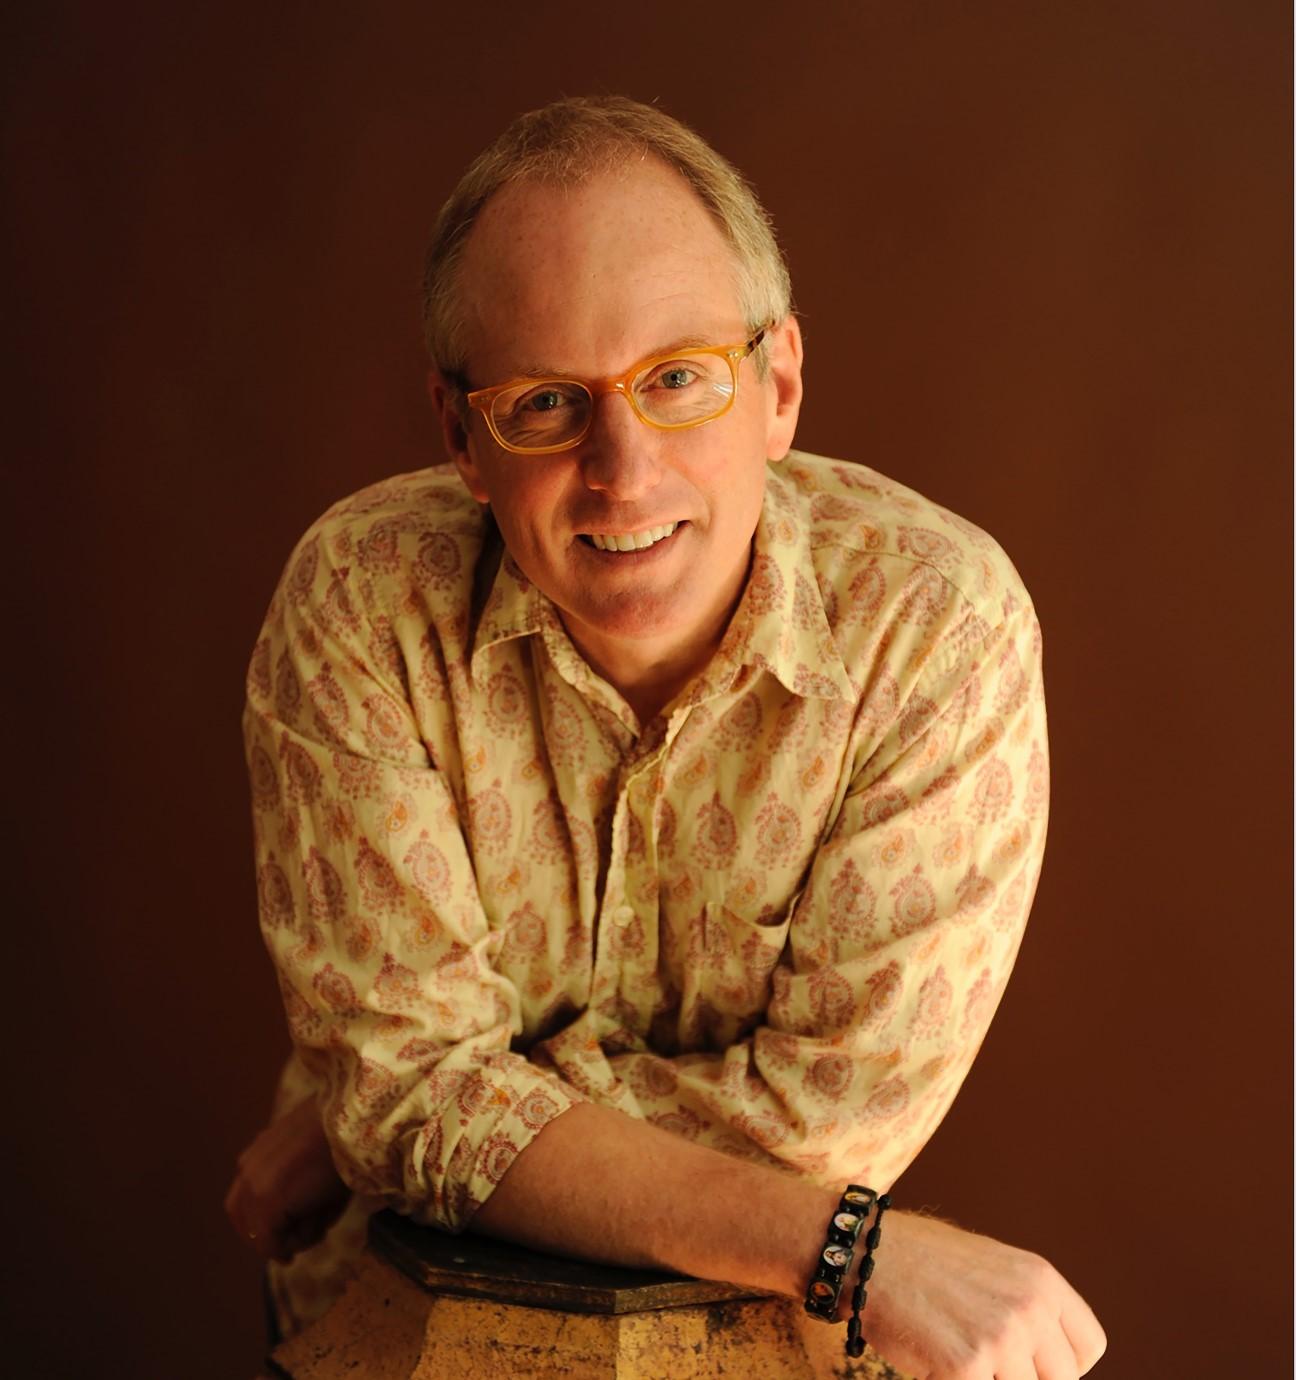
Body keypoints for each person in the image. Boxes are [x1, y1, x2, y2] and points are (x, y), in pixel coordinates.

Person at [225, 95, 1106, 1378]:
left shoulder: (937, 634)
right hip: (405, 1332)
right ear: (460, 436)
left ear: (779, 386)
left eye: (679, 378)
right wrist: (850, 1248)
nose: (623, 470)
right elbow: (407, 1095)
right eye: (545, 403)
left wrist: (420, 1113)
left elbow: (822, 1132)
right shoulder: (361, 605)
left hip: (747, 1345)